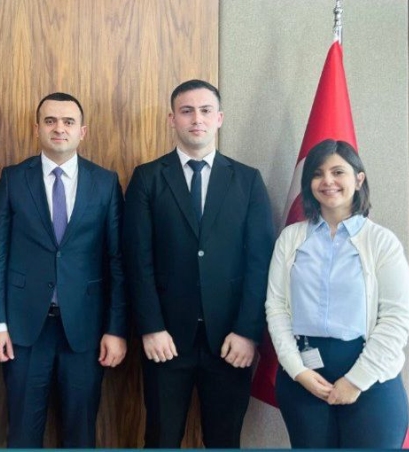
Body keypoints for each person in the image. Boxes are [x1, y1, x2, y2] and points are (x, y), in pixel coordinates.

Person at [123, 80, 275, 447]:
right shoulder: (147, 178)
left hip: (230, 342)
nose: (197, 119)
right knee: (161, 438)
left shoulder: (248, 180)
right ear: (172, 118)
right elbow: (137, 260)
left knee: (224, 440)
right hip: (166, 340)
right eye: (187, 111)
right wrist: (151, 327)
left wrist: (248, 332)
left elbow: (260, 263)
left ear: (219, 118)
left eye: (206, 111)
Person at [0, 92, 127, 448]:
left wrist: (116, 328)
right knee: (22, 434)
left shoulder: (105, 182)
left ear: (82, 131)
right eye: (50, 121)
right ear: (37, 129)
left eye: (68, 122)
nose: (59, 128)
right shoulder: (13, 179)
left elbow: (117, 260)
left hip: (85, 331)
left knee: (80, 434)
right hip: (23, 330)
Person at [265, 139, 409, 448]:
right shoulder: (290, 239)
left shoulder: (382, 242)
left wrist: (356, 380)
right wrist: (297, 370)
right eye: (317, 173)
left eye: (338, 172)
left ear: (358, 179)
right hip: (304, 379)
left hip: (371, 380)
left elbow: (396, 319)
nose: (327, 181)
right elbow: (276, 308)